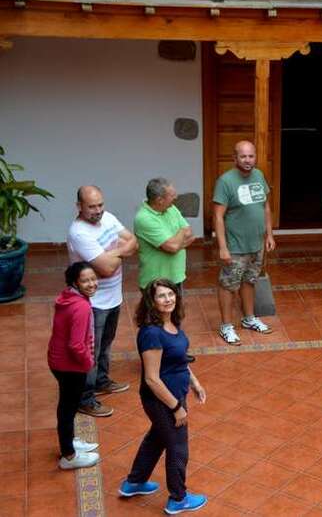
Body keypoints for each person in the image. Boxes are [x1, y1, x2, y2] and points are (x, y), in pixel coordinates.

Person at [119, 278, 208, 515]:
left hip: (175, 394)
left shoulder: (172, 324)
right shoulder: (151, 333)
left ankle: (135, 482)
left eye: (170, 294)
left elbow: (179, 360)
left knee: (157, 438)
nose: (168, 299)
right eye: (161, 296)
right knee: (178, 447)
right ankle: (178, 499)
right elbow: (151, 378)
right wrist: (176, 407)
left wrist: (194, 382)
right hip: (162, 400)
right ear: (151, 301)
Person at [67, 185, 137, 418]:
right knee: (90, 352)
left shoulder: (108, 218)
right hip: (93, 303)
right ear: (79, 207)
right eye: (91, 206)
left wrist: (114, 253)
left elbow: (133, 242)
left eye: (100, 205)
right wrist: (120, 251)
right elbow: (105, 269)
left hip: (113, 297)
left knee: (105, 344)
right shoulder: (79, 232)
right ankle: (85, 398)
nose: (98, 211)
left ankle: (101, 381)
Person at [213, 140, 276, 345]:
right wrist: (223, 247)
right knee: (228, 285)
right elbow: (218, 216)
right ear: (235, 158)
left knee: (250, 281)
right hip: (235, 246)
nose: (248, 160)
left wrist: (269, 234)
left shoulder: (258, 175)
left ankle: (249, 318)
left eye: (251, 156)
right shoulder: (225, 181)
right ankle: (226, 326)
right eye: (243, 156)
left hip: (256, 244)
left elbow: (265, 207)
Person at [135, 177, 196, 363]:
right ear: (160, 199)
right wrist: (177, 241)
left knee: (174, 317)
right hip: (154, 281)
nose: (176, 197)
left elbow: (189, 232)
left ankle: (174, 353)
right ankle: (154, 359)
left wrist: (177, 242)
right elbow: (171, 246)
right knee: (154, 323)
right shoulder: (144, 218)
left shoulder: (170, 208)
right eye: (172, 195)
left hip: (175, 276)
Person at [48, 262, 101, 470]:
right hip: (70, 366)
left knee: (67, 406)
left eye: (93, 278)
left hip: (57, 360)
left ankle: (68, 441)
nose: (92, 284)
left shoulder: (68, 297)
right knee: (68, 408)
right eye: (85, 280)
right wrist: (89, 363)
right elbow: (76, 344)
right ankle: (68, 455)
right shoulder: (81, 307)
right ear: (75, 283)